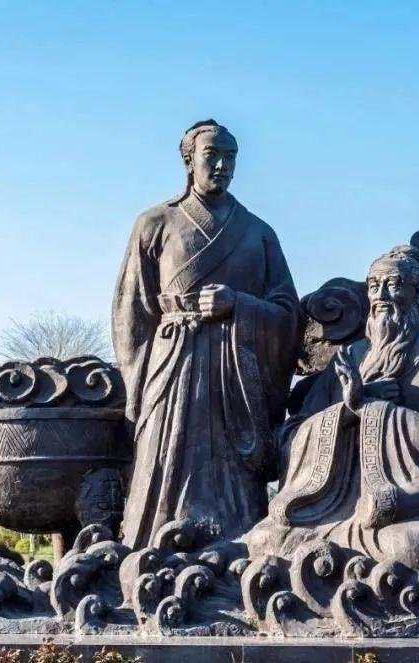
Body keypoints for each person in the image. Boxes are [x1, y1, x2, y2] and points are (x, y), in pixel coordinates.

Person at [244, 246, 419, 570]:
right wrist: (346, 412)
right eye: (374, 286)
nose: (381, 295)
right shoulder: (349, 357)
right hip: (328, 511)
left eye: (393, 284)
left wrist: (376, 411)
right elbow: (292, 434)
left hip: (409, 512)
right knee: (264, 540)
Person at [112, 120, 299, 549]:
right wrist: (136, 389)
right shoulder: (154, 223)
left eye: (230, 157)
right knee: (166, 457)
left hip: (236, 371)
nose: (221, 165)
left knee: (234, 476)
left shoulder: (258, 232)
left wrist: (240, 304)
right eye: (211, 155)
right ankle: (152, 544)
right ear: (188, 161)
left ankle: (240, 544)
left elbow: (289, 313)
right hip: (173, 363)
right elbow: (130, 313)